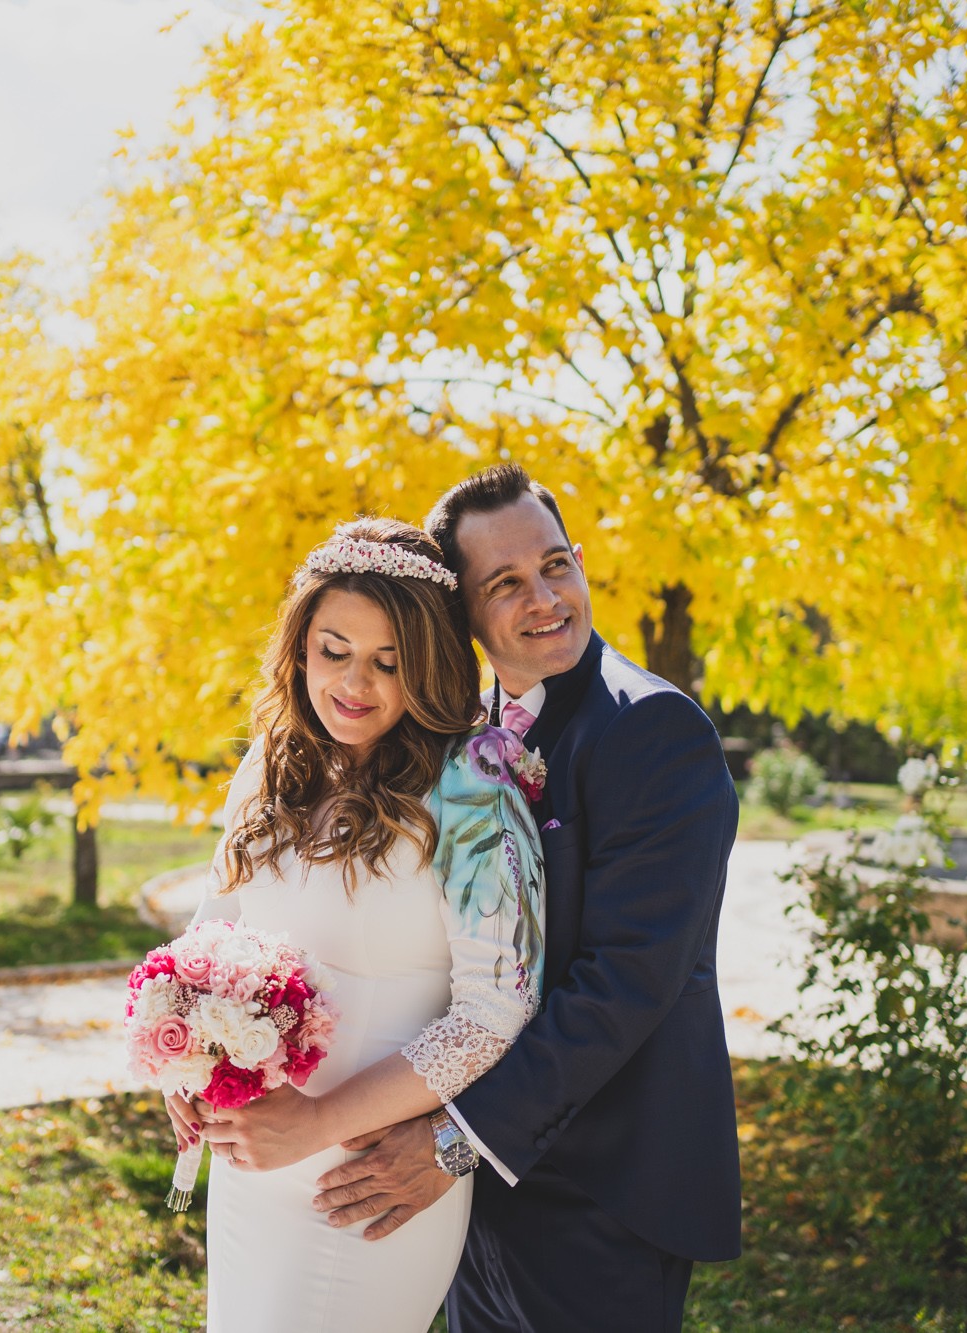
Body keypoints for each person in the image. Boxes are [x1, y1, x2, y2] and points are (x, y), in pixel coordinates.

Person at [306, 465, 743, 1331]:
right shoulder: (455, 737)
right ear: (462, 613)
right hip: (479, 1193)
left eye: (554, 566)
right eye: (504, 583)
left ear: (580, 562)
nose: (544, 597)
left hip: (604, 1190)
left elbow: (624, 987)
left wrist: (450, 1141)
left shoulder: (653, 730)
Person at [175, 516, 546, 1333]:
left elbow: (496, 1011)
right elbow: (209, 936)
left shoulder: (473, 785)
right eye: (334, 649)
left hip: (368, 1176)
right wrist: (187, 1063)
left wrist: (316, 1123)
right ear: (300, 642)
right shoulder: (271, 759)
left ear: (429, 665)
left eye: (390, 662)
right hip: (250, 1167)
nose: (355, 682)